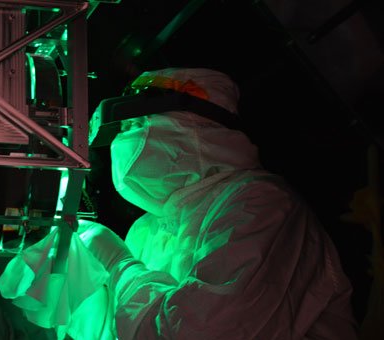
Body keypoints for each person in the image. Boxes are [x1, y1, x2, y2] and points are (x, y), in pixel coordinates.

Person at [76, 67, 359, 339]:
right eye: (123, 128)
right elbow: (125, 329)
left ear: (188, 123)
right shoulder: (146, 229)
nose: (122, 141)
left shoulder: (260, 203)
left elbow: (199, 333)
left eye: (136, 124)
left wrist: (119, 264)